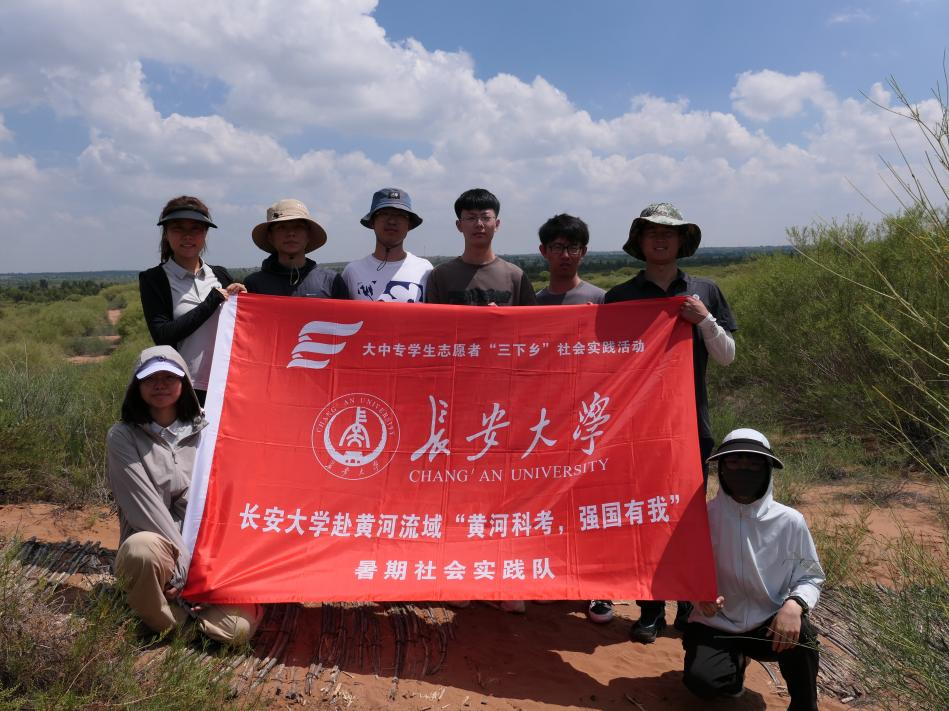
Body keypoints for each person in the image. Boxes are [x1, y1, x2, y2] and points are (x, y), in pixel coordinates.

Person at [604, 202, 737, 641]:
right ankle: (650, 608)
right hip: (637, 428)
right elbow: (605, 365)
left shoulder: (705, 291)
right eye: (652, 232)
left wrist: (705, 320)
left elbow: (727, 356)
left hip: (690, 422)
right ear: (640, 242)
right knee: (644, 515)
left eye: (669, 232)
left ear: (681, 241)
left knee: (687, 515)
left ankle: (688, 604)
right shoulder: (620, 297)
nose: (660, 239)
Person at [107, 345, 263, 643]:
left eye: (169, 377)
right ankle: (173, 622)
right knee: (141, 549)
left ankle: (170, 615)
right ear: (137, 386)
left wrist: (209, 574)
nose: (160, 385)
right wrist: (185, 569)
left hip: (209, 555)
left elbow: (232, 501)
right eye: (150, 378)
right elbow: (145, 508)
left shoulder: (212, 430)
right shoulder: (123, 437)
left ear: (185, 383)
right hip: (162, 553)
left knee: (237, 631)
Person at [683, 428, 824, 710]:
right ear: (721, 468)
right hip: (716, 620)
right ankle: (734, 666)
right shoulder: (701, 516)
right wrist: (697, 595)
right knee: (702, 682)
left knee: (804, 638)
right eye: (734, 462)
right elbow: (682, 568)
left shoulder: (790, 521)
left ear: (767, 469)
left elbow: (810, 575)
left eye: (753, 463)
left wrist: (794, 605)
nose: (743, 470)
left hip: (768, 623)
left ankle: (804, 706)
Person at [139, 196, 246, 405]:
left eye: (195, 228)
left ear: (205, 233)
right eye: (178, 228)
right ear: (166, 234)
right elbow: (163, 335)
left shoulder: (220, 275)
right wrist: (211, 302)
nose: (187, 236)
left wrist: (243, 302)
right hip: (183, 387)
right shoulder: (154, 279)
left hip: (225, 384)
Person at [425, 188, 537, 306]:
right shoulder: (440, 276)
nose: (479, 224)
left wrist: (500, 316)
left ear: (497, 224)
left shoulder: (516, 277)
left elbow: (532, 317)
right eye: (471, 218)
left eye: (486, 218)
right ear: (459, 225)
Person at [245, 198, 349, 298]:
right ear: (270, 237)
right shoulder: (253, 285)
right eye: (281, 227)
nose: (291, 233)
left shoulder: (331, 282)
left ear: (308, 235)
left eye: (298, 226)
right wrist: (237, 296)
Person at [342, 188, 433, 302]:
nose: (392, 221)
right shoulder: (352, 272)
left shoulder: (425, 270)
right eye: (384, 214)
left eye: (400, 215)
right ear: (372, 222)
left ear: (409, 225)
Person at [535, 213, 605, 305]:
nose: (565, 255)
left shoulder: (600, 300)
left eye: (573, 248)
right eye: (557, 247)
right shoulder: (533, 303)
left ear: (583, 251)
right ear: (543, 251)